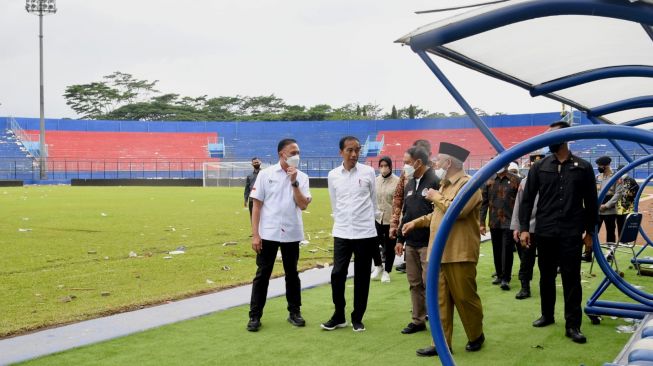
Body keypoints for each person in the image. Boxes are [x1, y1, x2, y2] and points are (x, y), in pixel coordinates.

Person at [519, 120, 598, 344]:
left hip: (571, 232)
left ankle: (573, 325)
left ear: (564, 137)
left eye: (552, 136)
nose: (548, 141)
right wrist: (525, 228)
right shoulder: (539, 166)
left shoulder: (583, 167)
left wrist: (590, 232)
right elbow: (527, 200)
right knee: (546, 275)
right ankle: (547, 314)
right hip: (544, 231)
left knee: (571, 278)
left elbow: (591, 203)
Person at [403, 142, 485, 356]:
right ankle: (440, 343)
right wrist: (417, 222)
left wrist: (435, 197)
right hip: (438, 253)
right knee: (439, 301)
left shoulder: (470, 184)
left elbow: (457, 211)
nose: (435, 162)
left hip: (459, 253)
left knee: (465, 299)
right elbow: (437, 215)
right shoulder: (444, 185)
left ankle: (476, 334)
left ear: (449, 163)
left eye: (439, 159)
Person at [247, 139, 312, 332]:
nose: (296, 156)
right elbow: (256, 206)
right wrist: (255, 235)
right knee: (262, 275)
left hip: (292, 232)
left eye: (298, 152)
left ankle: (294, 312)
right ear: (281, 154)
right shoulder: (265, 175)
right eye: (292, 152)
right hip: (268, 233)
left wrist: (294, 183)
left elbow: (303, 204)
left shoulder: (302, 177)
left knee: (292, 274)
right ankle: (255, 315)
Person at [322, 136, 378, 332]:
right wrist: (341, 222)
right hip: (342, 231)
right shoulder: (333, 175)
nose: (354, 154)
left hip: (365, 232)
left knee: (362, 276)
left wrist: (371, 226)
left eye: (357, 150)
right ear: (341, 152)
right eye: (349, 150)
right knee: (337, 274)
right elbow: (334, 203)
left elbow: (374, 202)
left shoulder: (369, 172)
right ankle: (339, 315)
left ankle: (357, 317)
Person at [396, 146, 440, 335]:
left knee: (430, 284)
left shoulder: (435, 182)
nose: (404, 166)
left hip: (429, 243)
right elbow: (406, 214)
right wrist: (399, 239)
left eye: (407, 162)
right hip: (411, 243)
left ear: (418, 162)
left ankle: (439, 322)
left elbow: (438, 213)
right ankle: (418, 320)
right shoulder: (410, 183)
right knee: (414, 283)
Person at [390, 139, 432, 273]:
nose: (405, 166)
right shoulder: (407, 175)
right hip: (409, 231)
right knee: (415, 283)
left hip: (429, 237)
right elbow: (398, 198)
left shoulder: (437, 175)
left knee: (429, 280)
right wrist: (395, 225)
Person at [480, 160, 522, 291]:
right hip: (494, 221)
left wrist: (519, 223)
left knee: (507, 250)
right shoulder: (489, 180)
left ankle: (506, 278)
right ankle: (499, 275)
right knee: (496, 249)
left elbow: (521, 202)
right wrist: (481, 223)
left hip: (510, 221)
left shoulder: (516, 180)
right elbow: (484, 203)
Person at [510, 152, 544, 300]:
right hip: (528, 227)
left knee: (547, 260)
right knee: (526, 259)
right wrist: (517, 227)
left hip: (546, 226)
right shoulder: (524, 182)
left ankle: (546, 287)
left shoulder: (552, 180)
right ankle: (525, 287)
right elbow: (519, 205)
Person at [371, 156, 400, 283]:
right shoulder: (375, 181)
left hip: (391, 219)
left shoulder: (397, 182)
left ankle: (387, 271)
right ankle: (378, 265)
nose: (383, 168)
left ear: (390, 166)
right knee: (372, 242)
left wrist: (397, 219)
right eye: (381, 166)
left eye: (386, 166)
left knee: (390, 246)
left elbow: (400, 202)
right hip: (377, 218)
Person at [588, 156, 617, 262]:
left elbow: (618, 193)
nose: (598, 167)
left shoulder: (616, 177)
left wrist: (607, 205)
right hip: (598, 210)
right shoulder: (597, 177)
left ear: (606, 165)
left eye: (599, 165)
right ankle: (588, 252)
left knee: (610, 232)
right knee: (593, 231)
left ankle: (610, 254)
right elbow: (593, 192)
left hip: (610, 210)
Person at [614, 164, 640, 236]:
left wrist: (631, 195)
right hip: (618, 208)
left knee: (626, 225)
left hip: (627, 208)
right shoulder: (616, 180)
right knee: (619, 225)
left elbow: (637, 191)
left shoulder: (631, 180)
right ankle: (621, 240)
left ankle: (626, 240)